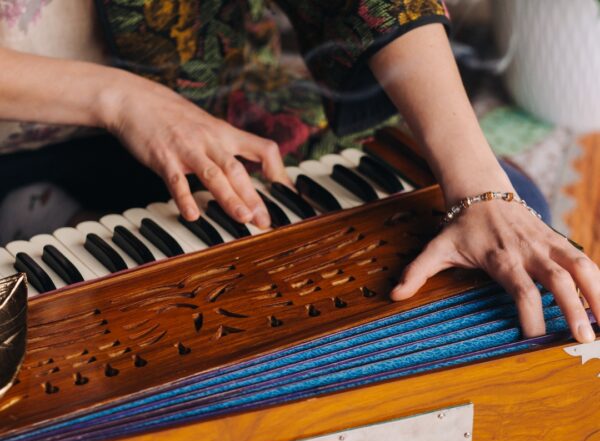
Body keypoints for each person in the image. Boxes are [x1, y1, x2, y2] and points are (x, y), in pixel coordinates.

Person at [0, 0, 597, 343]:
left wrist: (480, 192)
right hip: (19, 140)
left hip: (220, 120)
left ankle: (71, 222)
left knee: (516, 238)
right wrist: (121, 100)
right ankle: (64, 222)